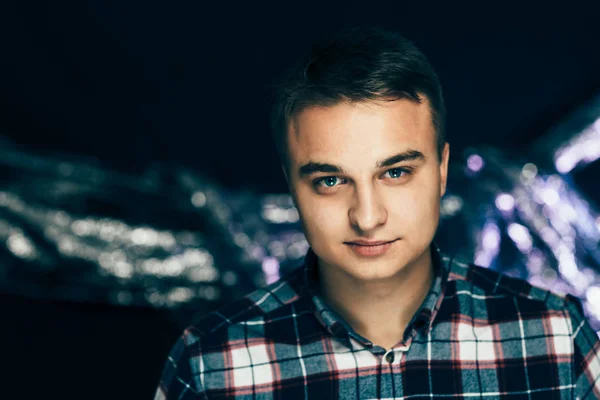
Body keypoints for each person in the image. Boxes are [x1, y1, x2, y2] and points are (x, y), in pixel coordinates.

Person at [154, 26, 600, 399]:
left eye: (396, 173)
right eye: (330, 181)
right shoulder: (212, 362)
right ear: (291, 188)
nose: (367, 217)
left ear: (442, 172)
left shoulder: (555, 336)